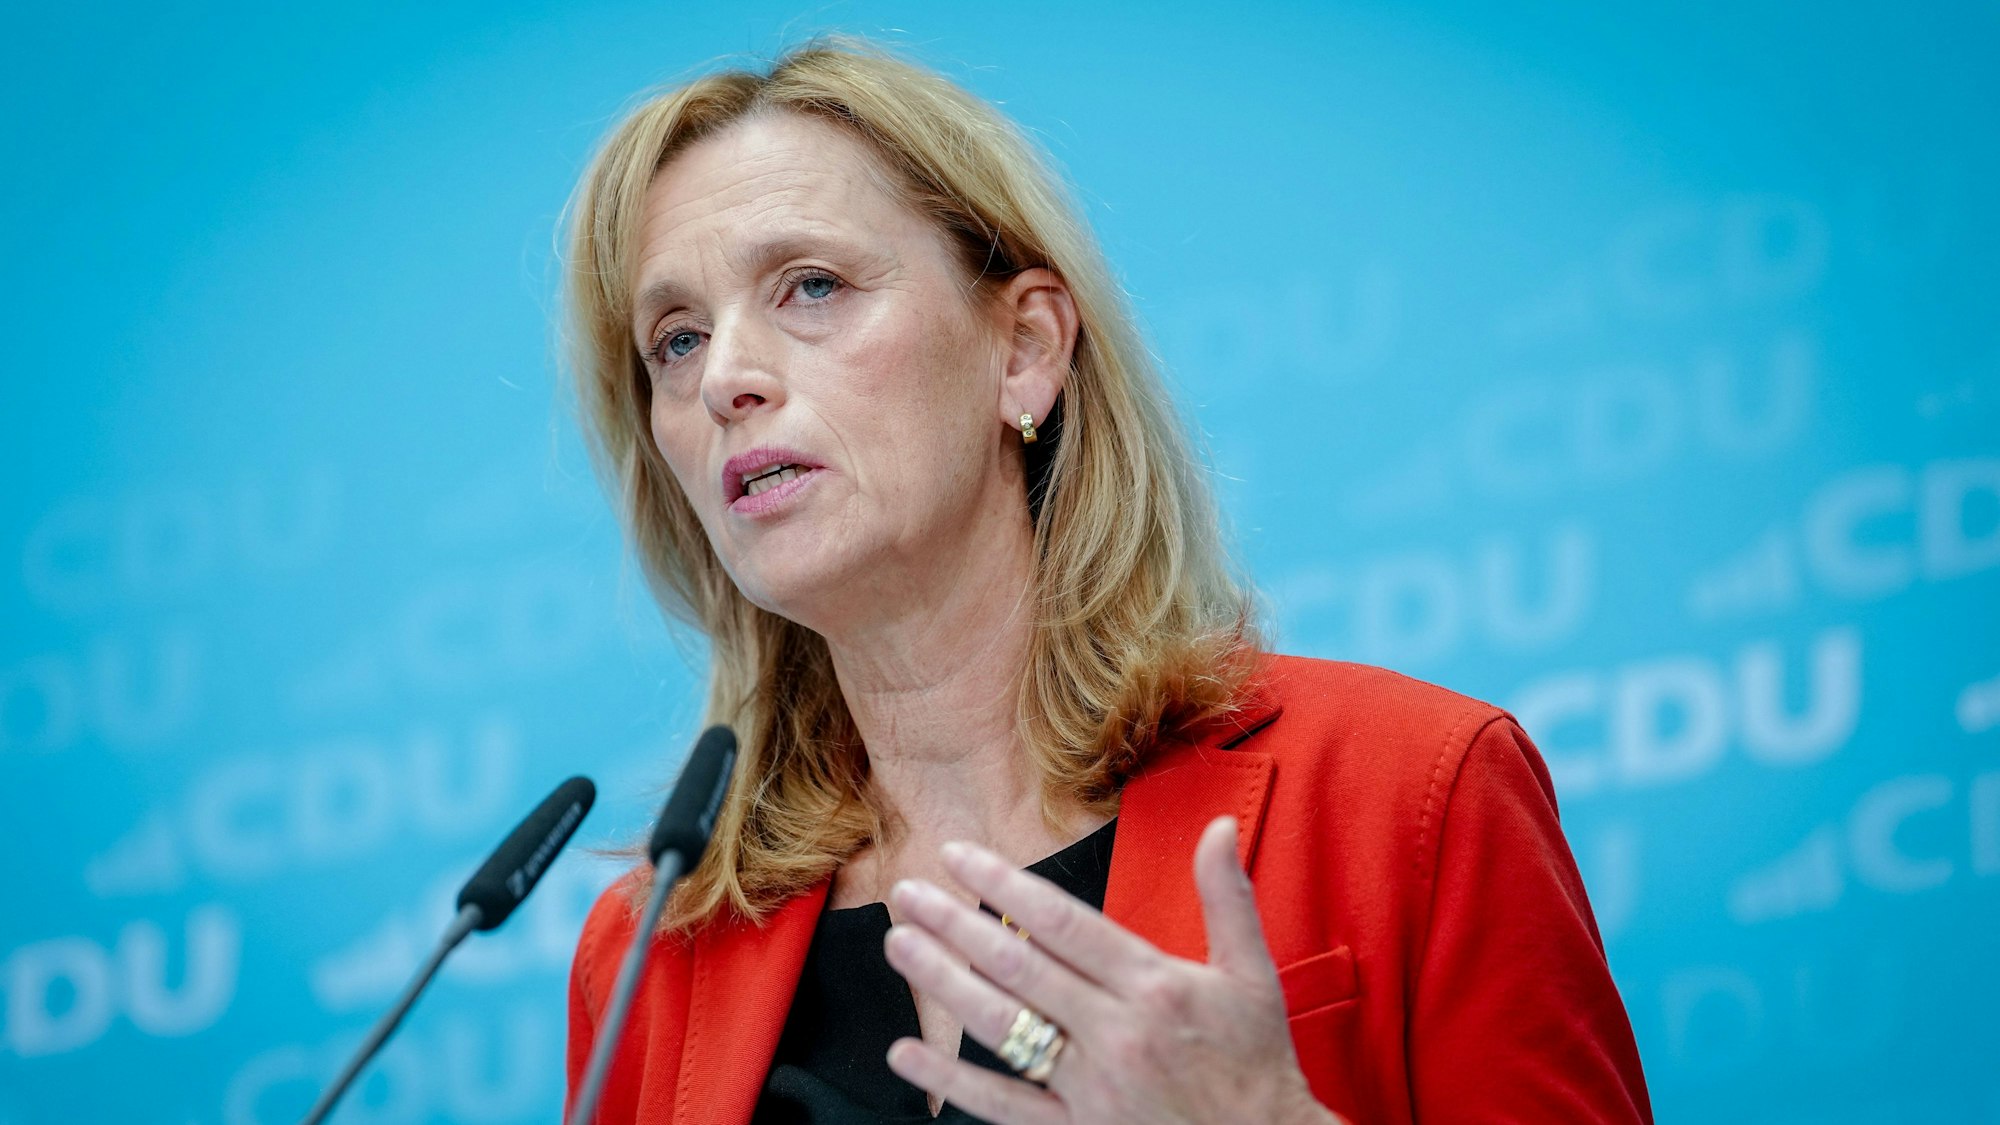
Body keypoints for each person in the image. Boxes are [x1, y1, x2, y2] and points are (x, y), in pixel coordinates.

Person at [559, 34, 1653, 1125]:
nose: (726, 382)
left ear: (1024, 349)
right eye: (677, 341)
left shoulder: (1408, 794)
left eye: (810, 286)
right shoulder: (646, 960)